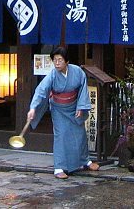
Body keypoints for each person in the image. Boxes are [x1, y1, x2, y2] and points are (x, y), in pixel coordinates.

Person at [27, 47, 100, 179]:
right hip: (59, 109)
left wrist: (81, 107)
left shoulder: (77, 72)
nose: (57, 63)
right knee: (61, 135)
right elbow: (41, 90)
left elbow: (83, 89)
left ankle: (85, 161)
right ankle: (59, 167)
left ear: (67, 61)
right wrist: (33, 108)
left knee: (80, 133)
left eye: (60, 60)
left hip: (74, 107)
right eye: (55, 60)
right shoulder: (53, 75)